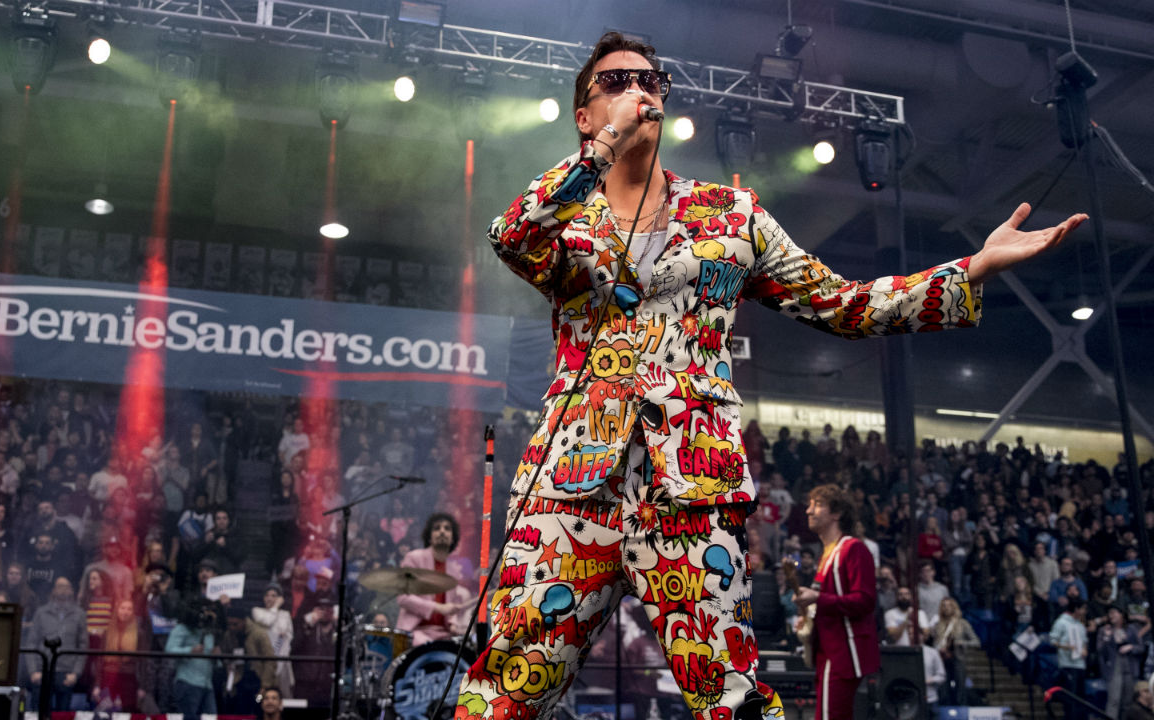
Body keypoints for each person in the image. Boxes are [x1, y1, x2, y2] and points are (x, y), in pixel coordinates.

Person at [463, 27, 1083, 720]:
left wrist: (971, 269)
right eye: (614, 82)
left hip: (689, 493)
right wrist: (602, 150)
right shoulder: (565, 219)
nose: (637, 90)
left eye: (648, 80)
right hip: (573, 487)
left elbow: (844, 305)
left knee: (732, 705)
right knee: (501, 697)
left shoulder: (732, 217)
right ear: (584, 114)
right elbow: (511, 235)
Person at [794, 485, 880, 720]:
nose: (809, 511)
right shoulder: (828, 553)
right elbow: (830, 603)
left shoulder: (853, 549)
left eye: (818, 504)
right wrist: (807, 616)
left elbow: (865, 600)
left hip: (844, 650)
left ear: (837, 513)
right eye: (810, 504)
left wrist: (817, 598)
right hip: (829, 649)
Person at [396, 512, 474, 645]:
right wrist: (438, 608)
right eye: (437, 528)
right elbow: (403, 598)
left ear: (452, 539)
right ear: (430, 537)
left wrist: (453, 623)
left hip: (443, 634)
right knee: (431, 649)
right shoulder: (414, 558)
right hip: (415, 632)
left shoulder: (453, 570)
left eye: (447, 528)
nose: (442, 531)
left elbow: (450, 610)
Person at [25, 577, 88, 712]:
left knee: (62, 715)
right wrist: (33, 671)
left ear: (71, 590)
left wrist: (76, 674)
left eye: (66, 586)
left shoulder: (79, 615)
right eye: (59, 586)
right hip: (43, 670)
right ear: (54, 589)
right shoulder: (41, 613)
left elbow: (83, 647)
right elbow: (31, 643)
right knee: (40, 712)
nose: (63, 590)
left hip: (66, 672)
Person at [1099, 607, 1143, 720]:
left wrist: (1131, 647)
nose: (1111, 615)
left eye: (1114, 612)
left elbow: (1141, 648)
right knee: (1114, 700)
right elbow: (1100, 651)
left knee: (1127, 702)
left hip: (1130, 667)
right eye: (1109, 613)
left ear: (1121, 614)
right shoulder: (1105, 630)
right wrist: (1107, 637)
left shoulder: (1132, 629)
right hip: (1114, 668)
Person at [1049, 599, 1089, 720]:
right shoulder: (1061, 622)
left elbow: (1085, 642)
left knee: (1080, 697)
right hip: (1067, 664)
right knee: (1070, 696)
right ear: (1076, 609)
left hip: (1080, 664)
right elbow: (1053, 641)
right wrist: (1066, 646)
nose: (1084, 612)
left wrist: (1085, 650)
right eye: (1083, 609)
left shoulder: (1081, 625)